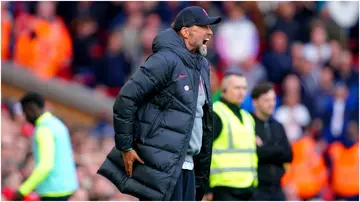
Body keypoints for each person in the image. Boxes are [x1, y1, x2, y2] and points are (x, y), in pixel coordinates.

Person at [97, 6, 221, 201]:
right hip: (163, 169)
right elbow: (125, 100)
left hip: (188, 166)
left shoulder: (202, 65)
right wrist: (126, 146)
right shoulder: (165, 60)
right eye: (204, 27)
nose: (210, 32)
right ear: (186, 31)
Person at [14, 92, 79, 201]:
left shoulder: (43, 130)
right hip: (67, 187)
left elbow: (45, 165)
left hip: (52, 190)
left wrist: (23, 190)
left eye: (25, 112)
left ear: (31, 109)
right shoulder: (57, 123)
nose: (25, 117)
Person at [210, 69, 258, 200]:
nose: (242, 92)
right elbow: (204, 152)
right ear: (224, 90)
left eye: (244, 88)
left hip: (248, 187)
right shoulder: (216, 113)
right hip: (224, 187)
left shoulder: (248, 117)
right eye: (237, 88)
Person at [250, 82, 293, 201]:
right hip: (256, 190)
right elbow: (254, 153)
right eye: (266, 100)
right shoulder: (248, 123)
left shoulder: (278, 126)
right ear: (255, 102)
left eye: (273, 100)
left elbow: (289, 155)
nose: (271, 104)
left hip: (277, 189)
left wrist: (265, 149)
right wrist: (276, 150)